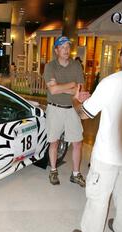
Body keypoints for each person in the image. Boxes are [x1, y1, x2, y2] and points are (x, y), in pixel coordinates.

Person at [72, 40, 122, 232]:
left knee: (98, 198)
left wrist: (77, 101)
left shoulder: (111, 82)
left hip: (108, 155)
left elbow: (85, 114)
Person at [43, 36, 87, 187]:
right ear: (56, 50)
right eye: (62, 47)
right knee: (54, 142)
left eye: (68, 47)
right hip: (54, 108)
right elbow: (53, 90)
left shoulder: (76, 66)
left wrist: (68, 88)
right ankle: (53, 170)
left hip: (72, 110)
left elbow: (79, 91)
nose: (66, 50)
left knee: (77, 142)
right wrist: (72, 85)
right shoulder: (50, 67)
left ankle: (75, 174)